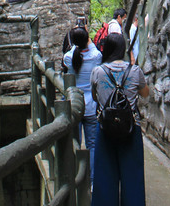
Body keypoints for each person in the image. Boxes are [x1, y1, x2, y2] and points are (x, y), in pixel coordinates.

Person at [90, 33, 149, 206]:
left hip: (105, 128)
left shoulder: (97, 72)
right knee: (133, 176)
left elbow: (96, 98)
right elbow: (145, 93)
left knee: (105, 175)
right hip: (131, 128)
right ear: (123, 49)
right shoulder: (134, 71)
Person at [62, 26, 101, 184]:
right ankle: (91, 181)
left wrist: (78, 41)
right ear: (87, 40)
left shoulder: (68, 58)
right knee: (92, 144)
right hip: (91, 105)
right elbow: (97, 52)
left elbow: (68, 55)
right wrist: (88, 40)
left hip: (74, 105)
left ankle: (74, 178)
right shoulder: (95, 57)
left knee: (75, 143)